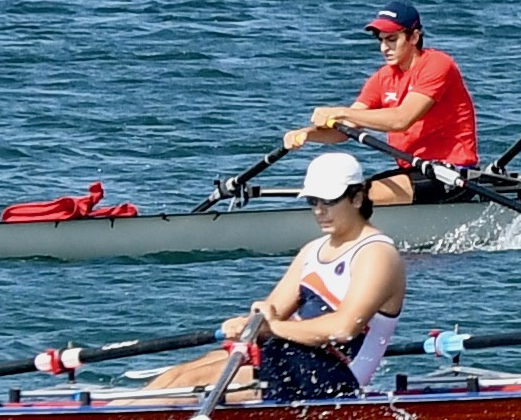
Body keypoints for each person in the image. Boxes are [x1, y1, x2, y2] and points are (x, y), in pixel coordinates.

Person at [142, 150, 410, 401]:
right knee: (177, 376)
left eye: (329, 201)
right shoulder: (312, 250)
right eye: (313, 201)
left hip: (335, 376)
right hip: (290, 354)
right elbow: (272, 312)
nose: (319, 210)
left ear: (357, 197)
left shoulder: (377, 254)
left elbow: (342, 328)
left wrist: (274, 328)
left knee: (186, 387)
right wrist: (248, 324)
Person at [282, 1, 479, 207]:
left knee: (355, 199)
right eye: (381, 40)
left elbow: (401, 119)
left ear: (414, 37)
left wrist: (341, 112)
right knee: (346, 192)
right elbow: (344, 130)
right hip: (414, 170)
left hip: (450, 173)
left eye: (392, 40)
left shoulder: (438, 64)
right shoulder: (383, 77)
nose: (384, 48)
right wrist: (306, 134)